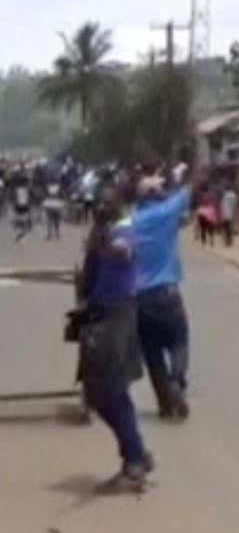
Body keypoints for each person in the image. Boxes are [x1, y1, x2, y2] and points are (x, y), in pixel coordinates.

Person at [76, 185, 155, 491]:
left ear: (120, 205)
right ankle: (136, 453)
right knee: (105, 392)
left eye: (108, 201)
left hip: (116, 317)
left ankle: (134, 459)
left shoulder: (121, 231)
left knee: (108, 390)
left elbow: (125, 247)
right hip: (101, 316)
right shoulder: (101, 231)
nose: (102, 205)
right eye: (100, 201)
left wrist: (113, 246)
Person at [132, 174, 194, 420]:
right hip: (167, 294)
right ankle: (176, 382)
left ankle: (165, 404)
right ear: (157, 194)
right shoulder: (167, 212)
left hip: (139, 300)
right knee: (179, 341)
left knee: (152, 352)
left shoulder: (130, 221)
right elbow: (189, 189)